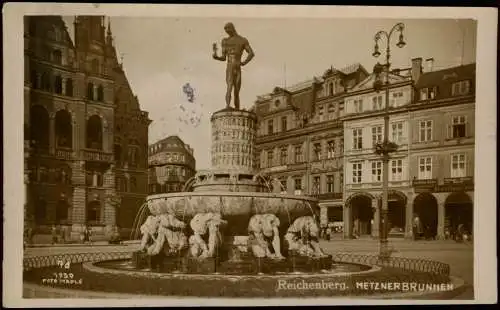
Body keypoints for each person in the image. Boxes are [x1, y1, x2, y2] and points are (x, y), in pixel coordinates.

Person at [212, 22, 255, 110]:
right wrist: (216, 57)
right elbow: (224, 57)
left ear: (232, 28)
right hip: (235, 65)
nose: (227, 32)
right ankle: (229, 106)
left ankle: (234, 107)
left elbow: (251, 53)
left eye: (228, 30)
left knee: (234, 88)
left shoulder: (239, 40)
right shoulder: (234, 40)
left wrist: (244, 62)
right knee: (232, 87)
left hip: (232, 65)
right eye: (226, 31)